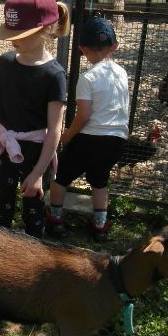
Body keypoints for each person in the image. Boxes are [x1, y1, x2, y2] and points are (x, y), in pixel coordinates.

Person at [0, 0, 69, 238]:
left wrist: (39, 172)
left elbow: (54, 130)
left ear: (45, 29)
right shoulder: (6, 62)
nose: (13, 39)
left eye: (20, 33)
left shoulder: (55, 75)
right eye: (11, 32)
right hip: (5, 147)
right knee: (0, 212)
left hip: (36, 153)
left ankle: (31, 266)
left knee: (34, 215)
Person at [45, 17, 128, 242]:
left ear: (81, 49)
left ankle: (55, 219)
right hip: (117, 139)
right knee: (100, 180)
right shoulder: (121, 73)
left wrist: (68, 135)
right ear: (115, 47)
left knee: (60, 176)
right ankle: (100, 225)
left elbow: (83, 115)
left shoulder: (88, 77)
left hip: (91, 138)